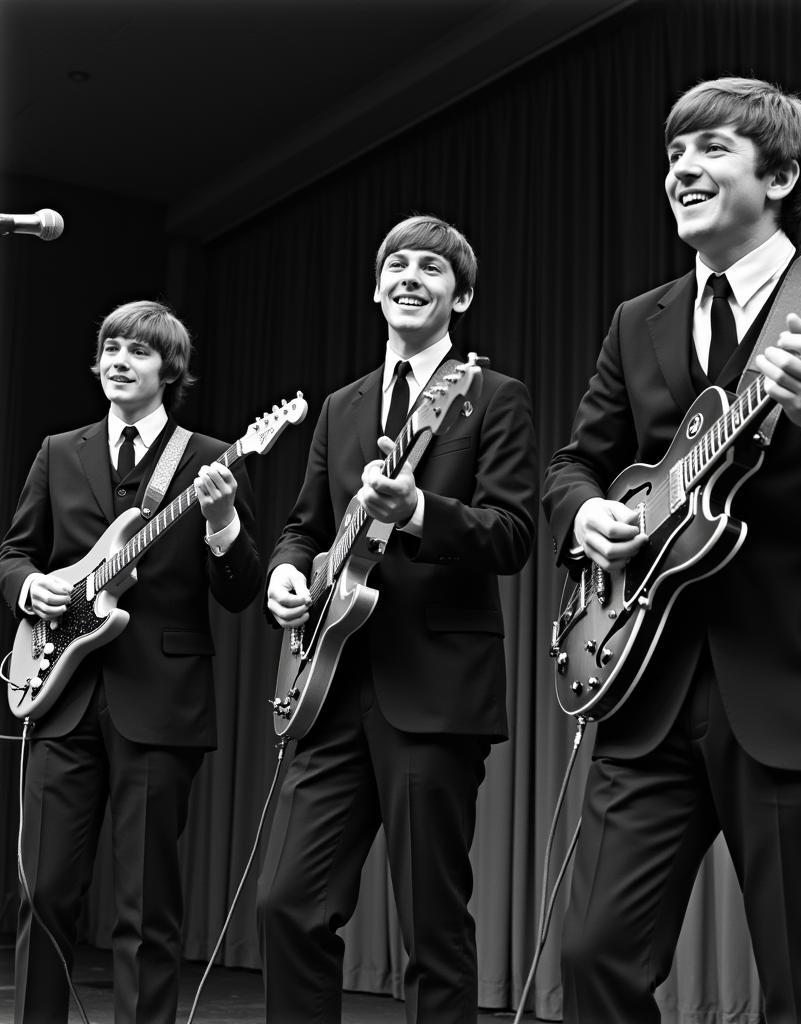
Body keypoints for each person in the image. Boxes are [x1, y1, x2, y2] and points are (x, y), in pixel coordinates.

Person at [543, 77, 801, 1022]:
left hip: (798, 687)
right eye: (675, 152)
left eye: (712, 148)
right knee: (594, 957)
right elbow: (571, 466)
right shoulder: (634, 319)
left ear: (782, 175)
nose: (682, 167)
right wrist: (587, 514)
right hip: (644, 681)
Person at [257, 214, 538, 1024]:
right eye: (398, 265)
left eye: (433, 269)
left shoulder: (489, 395)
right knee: (286, 906)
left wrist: (420, 511)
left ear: (464, 296)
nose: (411, 277)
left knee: (431, 929)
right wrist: (283, 573)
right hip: (331, 688)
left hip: (436, 691)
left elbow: (514, 534)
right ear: (377, 286)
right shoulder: (343, 407)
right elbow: (307, 526)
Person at [0, 299, 262, 1023]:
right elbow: (14, 551)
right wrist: (32, 588)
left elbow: (241, 591)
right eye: (111, 347)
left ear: (169, 370)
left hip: (162, 697)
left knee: (146, 904)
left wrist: (219, 521)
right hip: (61, 688)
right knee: (44, 889)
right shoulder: (59, 450)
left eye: (138, 352)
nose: (119, 360)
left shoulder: (208, 457)